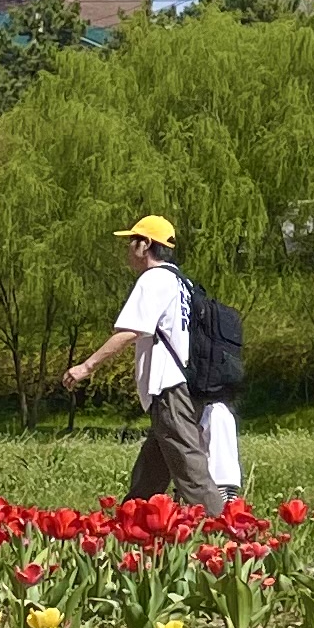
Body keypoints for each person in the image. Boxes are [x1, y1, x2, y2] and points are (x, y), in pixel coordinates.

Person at [64, 214, 231, 520]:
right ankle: (130, 523)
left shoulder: (153, 280)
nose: (128, 249)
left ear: (145, 245)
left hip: (170, 389)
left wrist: (86, 366)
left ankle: (227, 530)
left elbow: (131, 330)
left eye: (132, 241)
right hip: (187, 385)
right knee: (152, 471)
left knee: (190, 467)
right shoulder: (183, 282)